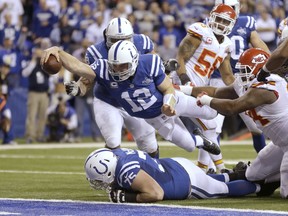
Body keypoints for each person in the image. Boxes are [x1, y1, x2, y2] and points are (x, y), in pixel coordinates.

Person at [41, 40, 221, 157]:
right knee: (189, 145)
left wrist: (168, 104)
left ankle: (236, 103)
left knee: (212, 112)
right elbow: (79, 67)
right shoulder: (104, 69)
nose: (118, 70)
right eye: (115, 66)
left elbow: (168, 88)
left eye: (123, 66)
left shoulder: (149, 63)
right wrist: (58, 51)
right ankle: (201, 140)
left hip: (171, 102)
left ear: (134, 60)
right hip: (153, 117)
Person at [177, 48, 288, 199]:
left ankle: (277, 179)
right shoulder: (249, 83)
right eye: (241, 70)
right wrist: (182, 89)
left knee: (286, 193)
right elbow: (217, 92)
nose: (241, 75)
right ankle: (272, 180)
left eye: (246, 70)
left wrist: (205, 100)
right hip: (281, 143)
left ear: (260, 69)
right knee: (251, 174)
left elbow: (232, 107)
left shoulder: (267, 88)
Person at [65, 17, 159, 157]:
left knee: (150, 145)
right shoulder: (96, 53)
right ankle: (112, 176)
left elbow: (155, 67)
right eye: (115, 40)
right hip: (108, 101)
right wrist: (78, 88)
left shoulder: (142, 43)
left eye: (125, 39)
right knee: (113, 141)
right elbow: (87, 80)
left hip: (135, 102)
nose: (120, 44)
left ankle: (154, 173)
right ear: (106, 37)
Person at [175, 4, 237, 173]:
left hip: (199, 88)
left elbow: (227, 75)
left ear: (231, 24)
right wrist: (185, 80)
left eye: (225, 21)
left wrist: (241, 87)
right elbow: (180, 57)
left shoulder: (227, 44)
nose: (221, 24)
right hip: (181, 85)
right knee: (209, 125)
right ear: (211, 17)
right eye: (218, 19)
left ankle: (207, 169)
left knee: (209, 126)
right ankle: (220, 169)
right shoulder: (201, 30)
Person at [84, 148, 261, 203]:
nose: (99, 183)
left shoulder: (125, 171)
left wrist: (125, 197)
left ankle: (261, 186)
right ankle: (241, 173)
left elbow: (155, 194)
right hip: (176, 165)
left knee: (223, 190)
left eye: (99, 179)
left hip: (185, 181)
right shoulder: (120, 155)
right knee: (216, 179)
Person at [212, 0, 270, 154]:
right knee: (214, 126)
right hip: (219, 78)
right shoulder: (209, 25)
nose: (227, 12)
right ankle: (215, 166)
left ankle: (264, 163)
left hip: (243, 77)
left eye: (230, 9)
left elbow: (259, 45)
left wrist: (270, 65)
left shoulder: (246, 22)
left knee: (255, 126)